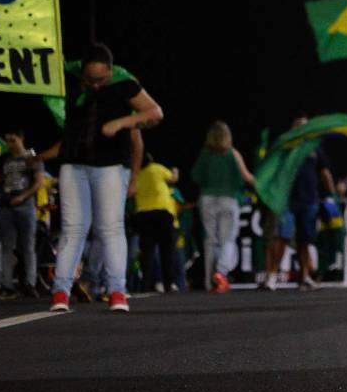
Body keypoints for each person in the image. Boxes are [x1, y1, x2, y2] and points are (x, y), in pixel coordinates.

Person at [42, 45, 163, 313]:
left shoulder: (124, 82)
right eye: (90, 79)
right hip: (74, 163)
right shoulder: (69, 75)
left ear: (110, 70)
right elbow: (42, 69)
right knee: (73, 228)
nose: (96, 85)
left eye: (101, 79)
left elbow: (155, 112)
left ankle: (117, 291)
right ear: (82, 71)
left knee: (110, 227)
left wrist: (121, 123)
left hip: (110, 166)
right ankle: (60, 291)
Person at [261, 118, 333, 291]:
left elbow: (325, 172)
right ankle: (272, 277)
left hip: (310, 200)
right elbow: (272, 168)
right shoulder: (286, 147)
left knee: (305, 240)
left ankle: (305, 276)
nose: (303, 129)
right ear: (293, 128)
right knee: (282, 237)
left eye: (306, 125)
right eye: (300, 125)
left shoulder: (314, 147)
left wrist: (332, 193)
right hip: (287, 201)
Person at [190, 122, 254, 294]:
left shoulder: (205, 154)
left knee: (210, 240)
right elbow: (247, 177)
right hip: (228, 199)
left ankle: (208, 281)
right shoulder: (232, 153)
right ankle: (221, 272)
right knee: (228, 239)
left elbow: (195, 176)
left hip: (207, 199)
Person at [0, 131, 43, 299]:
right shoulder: (2, 159)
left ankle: (30, 284)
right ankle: (7, 285)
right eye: (7, 141)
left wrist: (22, 196)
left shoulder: (31, 158)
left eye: (13, 140)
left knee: (27, 246)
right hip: (5, 206)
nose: (10, 144)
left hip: (25, 206)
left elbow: (38, 182)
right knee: (7, 247)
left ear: (22, 139)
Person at [132, 151, 183, 293]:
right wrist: (175, 172)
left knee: (147, 252)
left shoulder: (136, 174)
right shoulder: (157, 168)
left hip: (143, 215)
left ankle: (146, 285)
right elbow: (173, 179)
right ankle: (168, 284)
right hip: (161, 212)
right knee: (167, 250)